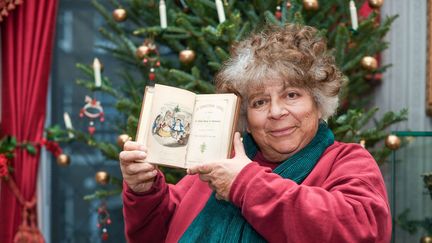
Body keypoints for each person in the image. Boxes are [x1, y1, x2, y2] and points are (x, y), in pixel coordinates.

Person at [119, 23, 392, 243]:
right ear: (245, 118)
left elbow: (360, 231)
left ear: (318, 104)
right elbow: (157, 233)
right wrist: (144, 192)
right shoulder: (217, 163)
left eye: (292, 95)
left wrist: (246, 184)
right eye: (260, 102)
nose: (276, 112)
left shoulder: (347, 161)